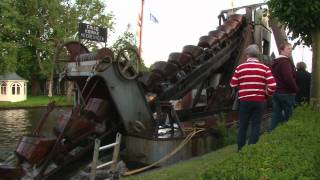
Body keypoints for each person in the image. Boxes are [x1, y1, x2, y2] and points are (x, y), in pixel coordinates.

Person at [230, 44, 276, 151]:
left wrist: (243, 88)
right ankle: (252, 148)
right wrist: (266, 94)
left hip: (244, 101)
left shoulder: (240, 67)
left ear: (247, 55)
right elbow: (273, 85)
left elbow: (232, 84)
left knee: (243, 125)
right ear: (258, 55)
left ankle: (240, 148)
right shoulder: (265, 68)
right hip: (259, 101)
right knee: (256, 125)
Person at [270, 42, 299, 131]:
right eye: (288, 49)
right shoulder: (285, 62)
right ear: (282, 50)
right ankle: (289, 133)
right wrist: (295, 89)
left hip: (276, 92)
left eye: (291, 49)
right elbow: (288, 78)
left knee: (276, 114)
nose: (291, 51)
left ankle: (271, 132)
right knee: (289, 115)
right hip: (286, 93)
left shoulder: (275, 62)